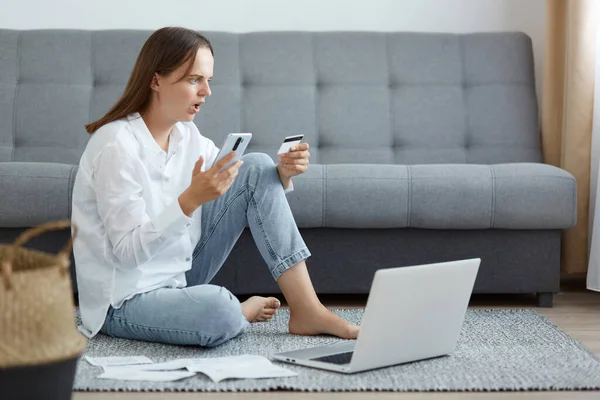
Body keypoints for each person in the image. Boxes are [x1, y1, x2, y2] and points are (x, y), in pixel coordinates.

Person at [71, 26, 359, 347]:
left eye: (208, 80)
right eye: (195, 80)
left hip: (178, 278)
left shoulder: (186, 136)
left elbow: (247, 184)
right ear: (155, 81)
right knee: (219, 310)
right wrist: (190, 201)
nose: (206, 92)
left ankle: (307, 309)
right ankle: (238, 311)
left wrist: (283, 173)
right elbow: (125, 255)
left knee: (259, 166)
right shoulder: (116, 145)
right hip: (123, 298)